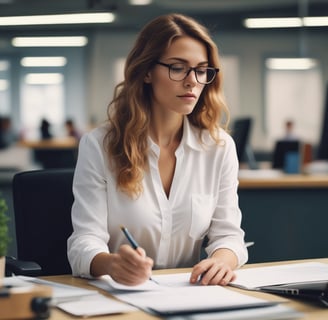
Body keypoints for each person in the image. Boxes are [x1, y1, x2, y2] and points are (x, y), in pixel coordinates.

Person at [67, 13, 248, 287]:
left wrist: (222, 261)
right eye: (178, 67)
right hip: (119, 295)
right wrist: (113, 264)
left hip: (191, 295)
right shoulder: (100, 145)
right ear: (147, 72)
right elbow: (83, 242)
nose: (192, 81)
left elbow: (230, 236)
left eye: (201, 70)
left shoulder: (219, 148)